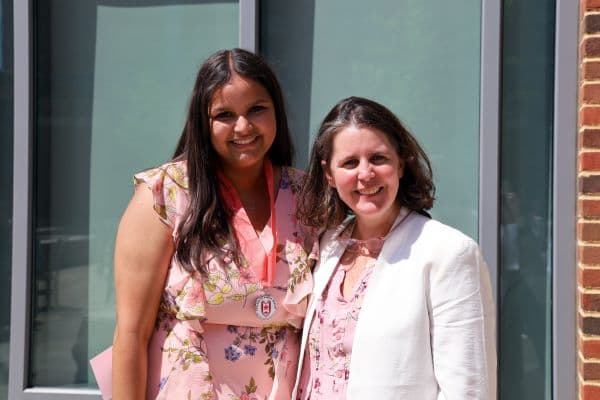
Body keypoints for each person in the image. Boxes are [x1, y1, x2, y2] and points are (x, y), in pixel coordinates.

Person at [110, 48, 316, 399]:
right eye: (224, 114)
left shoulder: (307, 195)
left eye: (257, 109)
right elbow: (131, 334)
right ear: (202, 122)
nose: (243, 127)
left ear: (276, 111)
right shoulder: (164, 195)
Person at [293, 97, 496, 399]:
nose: (365, 174)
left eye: (378, 158)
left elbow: (467, 389)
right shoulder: (326, 245)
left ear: (401, 163)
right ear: (329, 174)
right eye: (350, 162)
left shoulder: (448, 253)